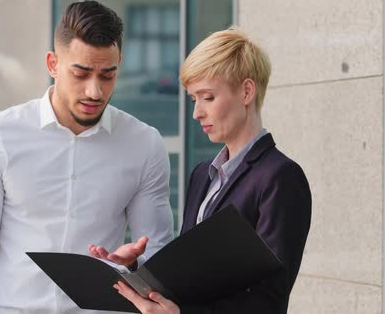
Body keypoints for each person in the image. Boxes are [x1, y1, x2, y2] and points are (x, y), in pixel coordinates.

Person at [0, 0, 174, 314]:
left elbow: (158, 260)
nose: (94, 91)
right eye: (80, 74)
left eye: (107, 75)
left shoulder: (144, 145)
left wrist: (134, 264)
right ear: (53, 64)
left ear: (119, 63)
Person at [90, 27, 312, 314]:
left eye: (207, 97)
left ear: (246, 91)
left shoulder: (280, 178)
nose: (196, 113)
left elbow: (270, 300)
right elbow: (190, 279)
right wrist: (134, 268)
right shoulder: (202, 174)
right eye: (194, 99)